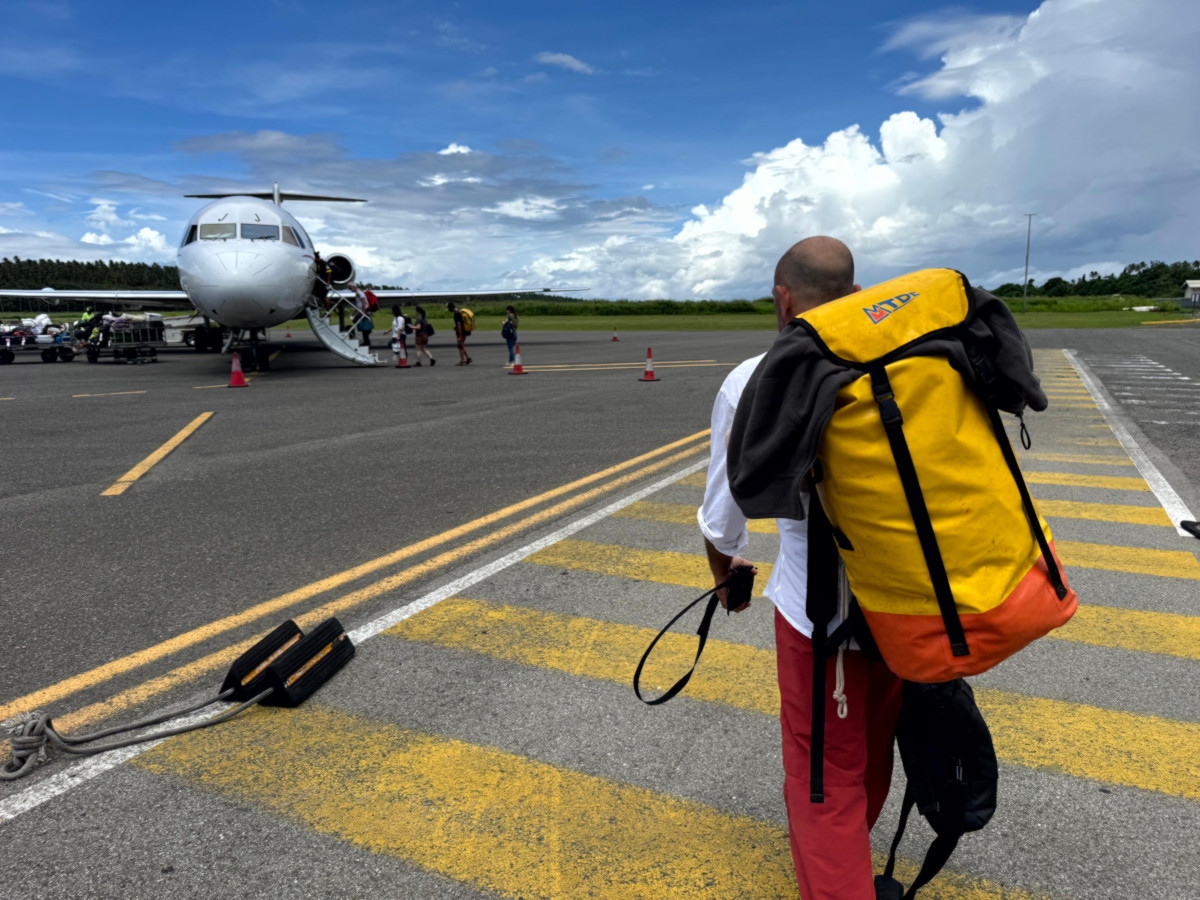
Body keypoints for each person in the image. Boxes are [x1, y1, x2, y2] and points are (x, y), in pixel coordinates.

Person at [697, 236, 901, 899]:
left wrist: (725, 576)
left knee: (824, 778)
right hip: (909, 607)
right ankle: (851, 859)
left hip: (820, 619)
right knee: (871, 749)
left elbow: (723, 519)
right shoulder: (906, 361)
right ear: (856, 294)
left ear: (784, 300)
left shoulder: (754, 379)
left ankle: (839, 877)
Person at [447, 301, 471, 365]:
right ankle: (468, 358)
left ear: (451, 308)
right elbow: (461, 322)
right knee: (461, 345)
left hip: (462, 332)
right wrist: (455, 326)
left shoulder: (456, 314)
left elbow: (459, 325)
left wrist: (460, 336)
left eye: (449, 309)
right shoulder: (460, 311)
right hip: (466, 330)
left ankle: (462, 361)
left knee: (460, 346)